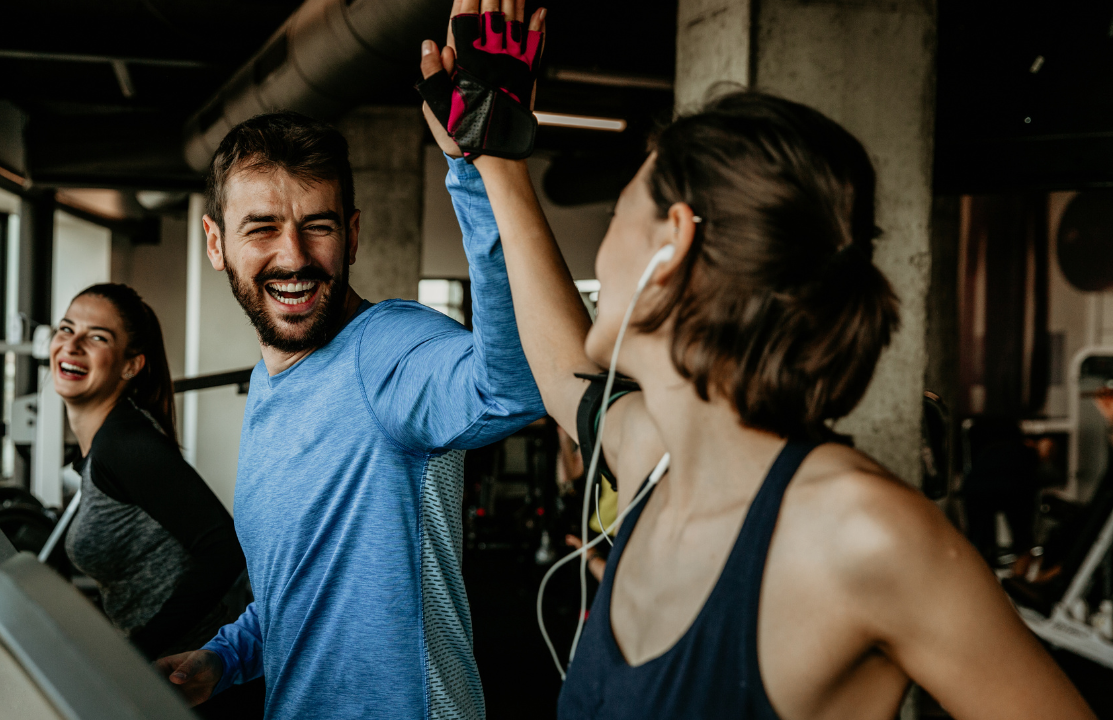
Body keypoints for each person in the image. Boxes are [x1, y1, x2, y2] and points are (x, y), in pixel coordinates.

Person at [416, 12, 1096, 716]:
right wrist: (495, 164)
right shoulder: (655, 460)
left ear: (672, 243)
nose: (602, 254)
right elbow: (562, 374)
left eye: (618, 215)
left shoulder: (860, 531)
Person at [153, 59, 546, 720]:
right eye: (262, 228)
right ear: (216, 243)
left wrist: (480, 170)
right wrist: (224, 657)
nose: (294, 256)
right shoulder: (271, 379)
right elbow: (297, 591)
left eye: (319, 225)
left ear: (353, 235)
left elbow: (513, 390)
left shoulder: (387, 349)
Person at [54, 283, 247, 663]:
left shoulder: (123, 443)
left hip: (191, 673)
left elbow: (223, 548)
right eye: (66, 329)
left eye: (97, 337)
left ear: (131, 365)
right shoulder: (105, 444)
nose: (72, 345)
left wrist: (137, 655)